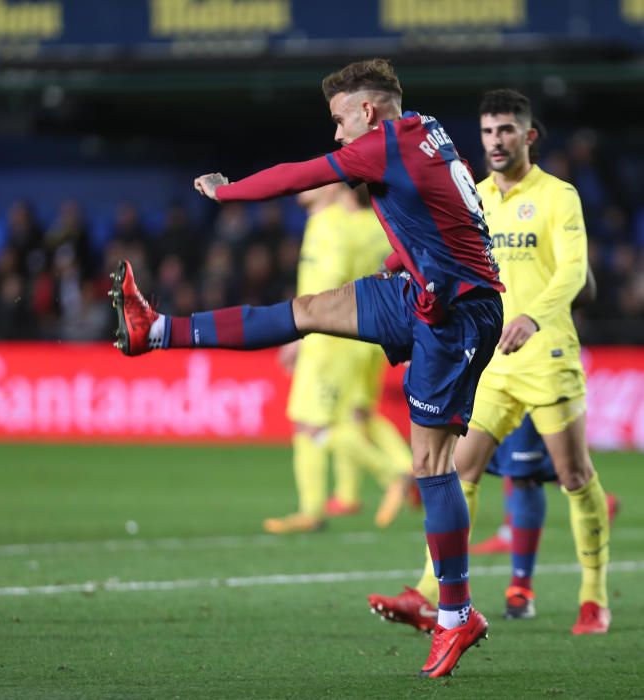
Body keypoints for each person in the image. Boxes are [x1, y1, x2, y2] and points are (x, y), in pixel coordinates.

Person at [111, 58, 505, 678]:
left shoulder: (383, 145)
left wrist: (226, 191)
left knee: (431, 463)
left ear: (368, 112)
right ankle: (154, 329)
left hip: (454, 313)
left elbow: (301, 175)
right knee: (308, 309)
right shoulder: (423, 129)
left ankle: (456, 614)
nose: (337, 133)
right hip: (423, 292)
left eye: (340, 118)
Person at [367, 89, 611, 636]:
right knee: (458, 471)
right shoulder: (472, 196)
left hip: (547, 356)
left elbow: (574, 274)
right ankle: (430, 594)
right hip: (491, 364)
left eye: (507, 130)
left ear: (529, 136)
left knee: (574, 475)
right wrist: (399, 265)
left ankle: (593, 595)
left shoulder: (557, 196)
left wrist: (533, 317)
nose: (496, 141)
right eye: (487, 132)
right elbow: (440, 252)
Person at [264, 183, 413, 535]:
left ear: (337, 189)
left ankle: (392, 474)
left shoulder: (328, 223)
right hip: (366, 333)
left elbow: (330, 279)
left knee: (313, 423)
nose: (306, 185)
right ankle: (338, 497)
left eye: (318, 180)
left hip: (329, 336)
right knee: (352, 416)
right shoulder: (377, 224)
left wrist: (300, 331)